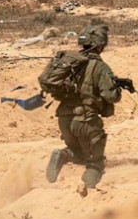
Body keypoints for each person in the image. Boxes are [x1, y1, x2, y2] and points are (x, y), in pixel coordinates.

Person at [45, 23, 123, 193]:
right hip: (86, 121)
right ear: (101, 45)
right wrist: (118, 89)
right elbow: (111, 96)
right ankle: (86, 188)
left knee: (78, 153)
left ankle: (63, 155)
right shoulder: (100, 67)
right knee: (95, 163)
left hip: (64, 119)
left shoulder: (71, 62)